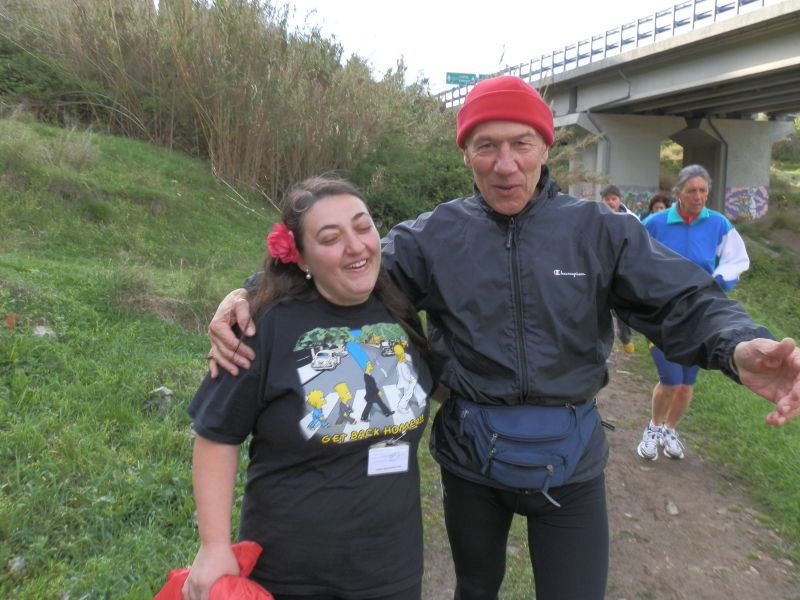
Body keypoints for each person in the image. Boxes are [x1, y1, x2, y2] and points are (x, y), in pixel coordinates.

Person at [206, 76, 800, 600]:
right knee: (475, 590)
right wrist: (250, 296)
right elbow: (345, 273)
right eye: (486, 145)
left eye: (522, 143)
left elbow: (683, 299)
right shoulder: (434, 237)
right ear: (466, 154)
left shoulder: (600, 231)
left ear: (547, 147)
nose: (505, 164)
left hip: (572, 462)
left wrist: (738, 345)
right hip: (472, 461)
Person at [184, 177, 432, 600]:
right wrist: (213, 546)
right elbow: (217, 435)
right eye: (330, 238)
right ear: (300, 257)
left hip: (391, 572)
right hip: (289, 574)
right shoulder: (262, 325)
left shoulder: (397, 310)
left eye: (363, 227)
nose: (355, 246)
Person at [636, 165, 751, 461]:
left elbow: (736, 260)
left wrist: (718, 281)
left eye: (703, 191)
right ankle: (653, 428)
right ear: (678, 193)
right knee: (671, 380)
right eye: (692, 191)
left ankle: (670, 430)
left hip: (701, 315)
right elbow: (634, 257)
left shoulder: (718, 224)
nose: (698, 197)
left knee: (686, 385)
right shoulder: (655, 223)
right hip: (663, 314)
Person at [601, 184, 639, 353]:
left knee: (622, 306)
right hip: (601, 267)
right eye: (607, 199)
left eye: (613, 198)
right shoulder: (596, 216)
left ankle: (624, 336)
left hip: (623, 268)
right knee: (599, 307)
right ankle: (599, 344)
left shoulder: (631, 219)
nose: (610, 202)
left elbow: (639, 243)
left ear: (620, 200)